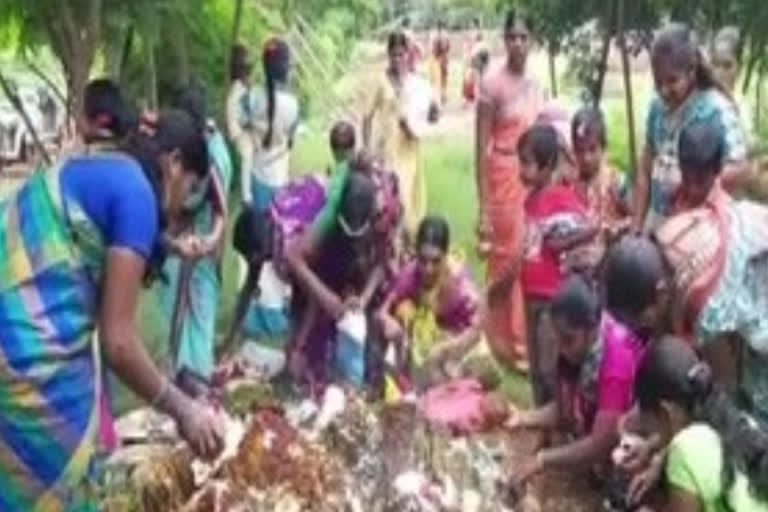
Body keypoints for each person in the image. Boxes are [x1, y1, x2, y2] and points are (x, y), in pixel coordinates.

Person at [0, 109, 223, 509]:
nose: (180, 206)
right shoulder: (138, 195)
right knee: (59, 487)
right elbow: (118, 345)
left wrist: (167, 244)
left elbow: (93, 228)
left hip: (10, 331)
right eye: (188, 186)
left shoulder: (111, 169)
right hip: (30, 354)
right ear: (173, 163)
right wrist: (184, 410)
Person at [653, 119, 768, 422]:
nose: (692, 187)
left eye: (700, 180)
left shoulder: (731, 231)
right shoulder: (678, 208)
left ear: (718, 170)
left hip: (733, 350)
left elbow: (720, 335)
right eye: (687, 177)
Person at [505, 275, 648, 488]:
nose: (561, 348)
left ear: (591, 330)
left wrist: (542, 460)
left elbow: (600, 444)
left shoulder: (616, 363)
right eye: (558, 338)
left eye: (568, 339)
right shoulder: (580, 350)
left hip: (631, 461)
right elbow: (567, 407)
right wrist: (524, 418)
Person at [489, 124, 594, 405]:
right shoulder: (531, 201)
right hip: (531, 295)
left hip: (552, 298)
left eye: (527, 163)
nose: (521, 170)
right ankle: (540, 421)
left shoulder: (560, 198)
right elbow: (526, 249)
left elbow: (574, 234)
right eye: (520, 162)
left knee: (550, 366)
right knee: (536, 366)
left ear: (547, 166)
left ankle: (556, 420)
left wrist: (591, 231)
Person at [476, 10, 547, 369]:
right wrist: (483, 205)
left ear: (532, 40)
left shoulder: (536, 85)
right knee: (505, 255)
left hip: (532, 179)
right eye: (512, 37)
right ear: (504, 41)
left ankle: (523, 342)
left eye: (524, 36)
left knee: (528, 254)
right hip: (503, 172)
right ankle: (496, 337)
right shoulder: (491, 85)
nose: (518, 43)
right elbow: (480, 146)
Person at [631, 23, 749, 233]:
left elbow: (739, 168)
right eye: (659, 83)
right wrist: (636, 227)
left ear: (692, 71)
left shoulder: (716, 110)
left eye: (672, 81)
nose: (665, 90)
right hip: (659, 224)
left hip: (701, 232)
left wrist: (695, 190)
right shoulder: (657, 108)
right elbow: (644, 170)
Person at [628, 336, 768, 511]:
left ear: (666, 412)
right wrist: (660, 462)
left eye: (653, 427)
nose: (656, 435)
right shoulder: (740, 423)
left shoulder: (685, 449)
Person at [158, 85, 232, 391]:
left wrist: (210, 242)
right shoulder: (173, 152)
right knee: (172, 315)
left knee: (199, 316)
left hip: (199, 248)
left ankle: (197, 384)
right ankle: (175, 383)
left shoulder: (210, 154)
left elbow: (220, 210)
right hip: (176, 247)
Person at [286, 172, 385, 392]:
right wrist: (300, 346)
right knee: (315, 356)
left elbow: (381, 264)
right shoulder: (325, 222)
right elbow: (294, 258)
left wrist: (363, 298)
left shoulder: (383, 217)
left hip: (362, 279)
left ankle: (368, 374)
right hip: (332, 268)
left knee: (367, 353)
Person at [376, 216, 484, 386]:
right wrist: (389, 322)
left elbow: (477, 330)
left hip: (459, 344)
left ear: (446, 255)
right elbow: (382, 311)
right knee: (403, 310)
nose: (428, 269)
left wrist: (448, 348)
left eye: (436, 261)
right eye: (423, 260)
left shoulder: (460, 284)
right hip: (426, 340)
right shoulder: (411, 274)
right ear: (416, 253)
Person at [363, 30, 439, 237]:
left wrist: (432, 113)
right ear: (388, 55)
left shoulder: (416, 84)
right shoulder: (380, 81)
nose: (397, 59)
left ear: (407, 54)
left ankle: (408, 245)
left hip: (409, 149)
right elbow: (367, 117)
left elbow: (430, 117)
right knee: (391, 199)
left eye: (401, 54)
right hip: (386, 151)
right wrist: (367, 149)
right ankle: (391, 245)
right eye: (393, 54)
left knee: (408, 199)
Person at [564, 107, 631, 276]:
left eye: (592, 150)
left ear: (603, 148)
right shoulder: (568, 184)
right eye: (580, 151)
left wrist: (616, 229)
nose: (586, 158)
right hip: (576, 266)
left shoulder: (616, 181)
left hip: (609, 265)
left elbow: (635, 218)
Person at [241, 37, 300, 212]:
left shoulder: (251, 98)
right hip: (280, 179)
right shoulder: (293, 105)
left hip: (256, 180)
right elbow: (291, 141)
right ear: (286, 68)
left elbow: (243, 127)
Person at [226, 43, 253, 181]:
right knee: (248, 157)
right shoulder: (240, 86)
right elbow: (244, 113)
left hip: (237, 127)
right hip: (239, 128)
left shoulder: (236, 84)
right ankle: (246, 195)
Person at [429, 21, 451, 105]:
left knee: (436, 78)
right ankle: (443, 96)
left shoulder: (434, 35)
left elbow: (432, 48)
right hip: (443, 58)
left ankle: (439, 96)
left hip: (436, 58)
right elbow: (448, 46)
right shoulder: (445, 35)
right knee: (443, 78)